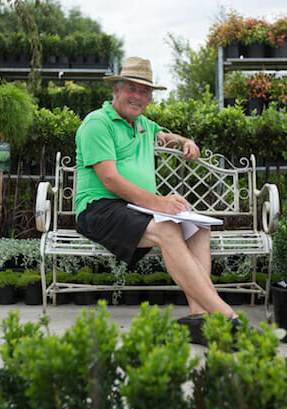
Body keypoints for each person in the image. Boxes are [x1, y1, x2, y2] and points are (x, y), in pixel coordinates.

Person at [74, 57, 238, 343]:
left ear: (149, 98)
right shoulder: (97, 123)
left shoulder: (142, 125)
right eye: (131, 89)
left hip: (133, 208)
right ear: (117, 90)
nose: (138, 96)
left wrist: (186, 141)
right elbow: (109, 179)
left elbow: (165, 136)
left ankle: (200, 317)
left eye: (144, 91)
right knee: (168, 229)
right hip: (99, 209)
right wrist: (159, 203)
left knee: (199, 228)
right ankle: (227, 318)